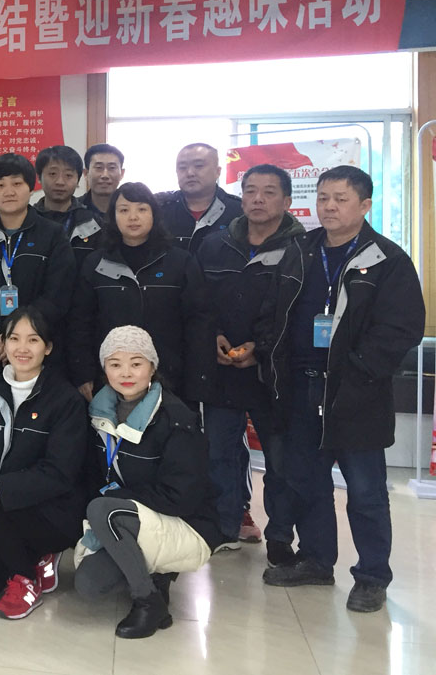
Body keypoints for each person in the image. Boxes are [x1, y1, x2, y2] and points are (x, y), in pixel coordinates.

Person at [256, 165, 424, 613]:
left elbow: (402, 327)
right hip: (301, 389)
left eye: (341, 199)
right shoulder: (300, 250)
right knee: (307, 482)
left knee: (366, 491)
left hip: (356, 394)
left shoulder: (387, 259)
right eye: (323, 198)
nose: (328, 207)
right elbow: (274, 311)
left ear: (365, 205)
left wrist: (360, 369)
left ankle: (371, 577)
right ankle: (316, 560)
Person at [75, 326, 222, 639]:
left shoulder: (176, 417)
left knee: (102, 509)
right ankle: (153, 574)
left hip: (186, 523)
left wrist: (118, 498)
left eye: (136, 363)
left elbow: (183, 496)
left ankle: (149, 601)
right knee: (89, 584)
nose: (126, 373)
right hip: (133, 517)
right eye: (115, 364)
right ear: (104, 369)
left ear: (152, 367)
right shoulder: (99, 413)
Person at [0, 308, 89, 619]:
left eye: (33, 340)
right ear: (3, 343)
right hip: (0, 509)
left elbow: (59, 473)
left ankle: (27, 577)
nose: (22, 348)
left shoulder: (65, 399)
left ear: (48, 347)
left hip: (51, 511)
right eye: (14, 338)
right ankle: (31, 559)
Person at [196, 164, 304, 556]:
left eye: (269, 192)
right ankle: (226, 526)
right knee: (220, 454)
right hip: (223, 369)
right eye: (250, 191)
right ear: (240, 197)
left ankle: (280, 537)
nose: (258, 199)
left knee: (280, 460)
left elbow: (299, 314)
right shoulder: (214, 244)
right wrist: (213, 337)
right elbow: (197, 302)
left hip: (273, 373)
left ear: (287, 201)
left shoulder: (301, 249)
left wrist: (261, 348)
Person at [68, 182, 212, 404]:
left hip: (170, 378)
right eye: (124, 210)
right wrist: (83, 373)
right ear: (113, 216)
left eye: (142, 209)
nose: (133, 217)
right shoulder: (95, 263)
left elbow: (198, 323)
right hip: (109, 378)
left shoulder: (180, 262)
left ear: (154, 214)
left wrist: (198, 379)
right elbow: (80, 322)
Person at [0, 153, 76, 385]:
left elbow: (58, 293)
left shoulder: (53, 235)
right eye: (0, 185)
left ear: (31, 188)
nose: (8, 192)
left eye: (17, 184)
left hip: (38, 349)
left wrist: (18, 337)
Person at [157, 143, 242, 253]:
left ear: (218, 172)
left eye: (198, 166)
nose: (190, 173)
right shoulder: (160, 209)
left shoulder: (239, 211)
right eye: (182, 167)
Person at [34, 145, 103, 267]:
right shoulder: (28, 219)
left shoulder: (93, 223)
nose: (60, 182)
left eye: (68, 175)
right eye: (52, 174)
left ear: (78, 180)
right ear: (39, 177)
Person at [77, 144, 125, 221]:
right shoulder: (73, 210)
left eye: (112, 168)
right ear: (86, 173)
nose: (105, 175)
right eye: (99, 168)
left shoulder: (132, 210)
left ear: (122, 174)